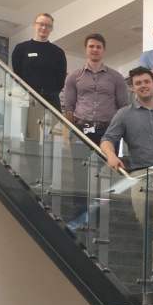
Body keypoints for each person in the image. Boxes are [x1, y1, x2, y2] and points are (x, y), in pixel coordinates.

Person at [100, 67, 153, 279]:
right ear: (133, 88)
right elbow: (107, 139)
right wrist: (112, 156)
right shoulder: (124, 114)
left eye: (146, 81)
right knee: (148, 223)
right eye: (138, 83)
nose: (143, 85)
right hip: (140, 174)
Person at [60, 33, 129, 222]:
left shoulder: (116, 77)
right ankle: (79, 212)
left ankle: (100, 215)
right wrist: (71, 133)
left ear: (104, 50)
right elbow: (68, 107)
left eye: (99, 46)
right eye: (91, 46)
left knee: (104, 175)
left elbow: (124, 107)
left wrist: (119, 132)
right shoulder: (74, 76)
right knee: (79, 175)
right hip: (81, 130)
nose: (95, 49)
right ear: (85, 49)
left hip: (108, 132)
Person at [11, 13, 66, 124]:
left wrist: (52, 91)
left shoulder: (58, 52)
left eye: (48, 25)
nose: (44, 28)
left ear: (51, 28)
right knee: (27, 129)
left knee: (56, 130)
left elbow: (60, 78)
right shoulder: (21, 48)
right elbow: (17, 75)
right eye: (41, 24)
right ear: (34, 25)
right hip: (27, 95)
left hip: (51, 97)